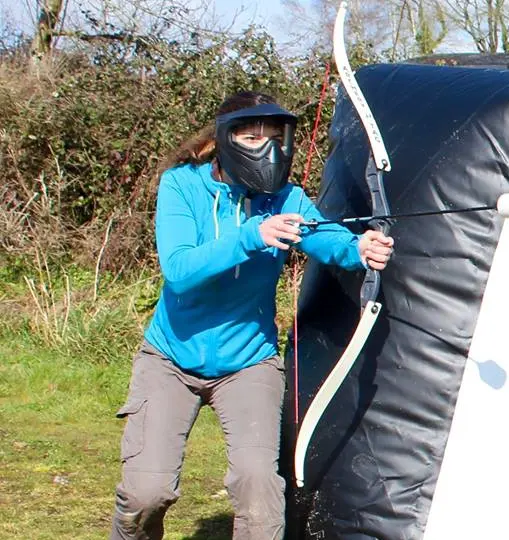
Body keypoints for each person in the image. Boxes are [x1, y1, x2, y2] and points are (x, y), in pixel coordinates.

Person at [110, 91, 394, 540]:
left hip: (248, 362)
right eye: (250, 136)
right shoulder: (182, 185)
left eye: (275, 137)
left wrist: (358, 248)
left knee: (259, 490)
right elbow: (179, 271)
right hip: (170, 359)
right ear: (224, 139)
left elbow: (323, 236)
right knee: (147, 493)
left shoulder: (286, 197)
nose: (266, 148)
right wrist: (251, 236)